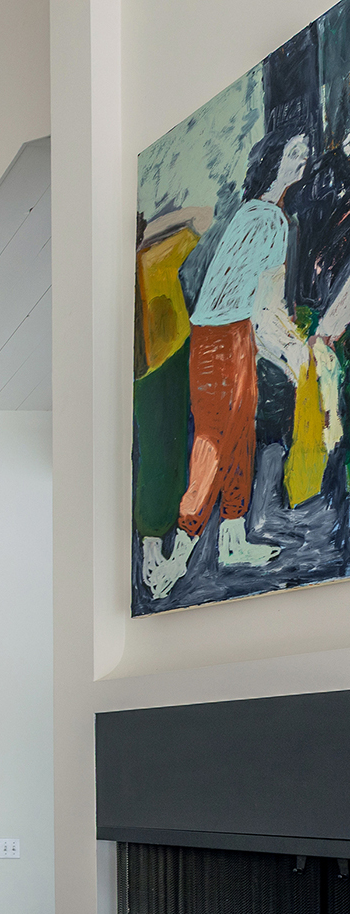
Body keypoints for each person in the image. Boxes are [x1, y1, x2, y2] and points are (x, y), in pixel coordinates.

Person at [143, 133, 307, 598]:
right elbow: (263, 305)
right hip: (223, 337)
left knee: (240, 439)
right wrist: (293, 355)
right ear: (274, 161)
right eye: (294, 152)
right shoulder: (270, 219)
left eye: (303, 151)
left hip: (230, 336)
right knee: (215, 443)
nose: (304, 158)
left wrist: (275, 347)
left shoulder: (254, 214)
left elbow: (256, 304)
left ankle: (233, 539)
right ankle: (177, 556)